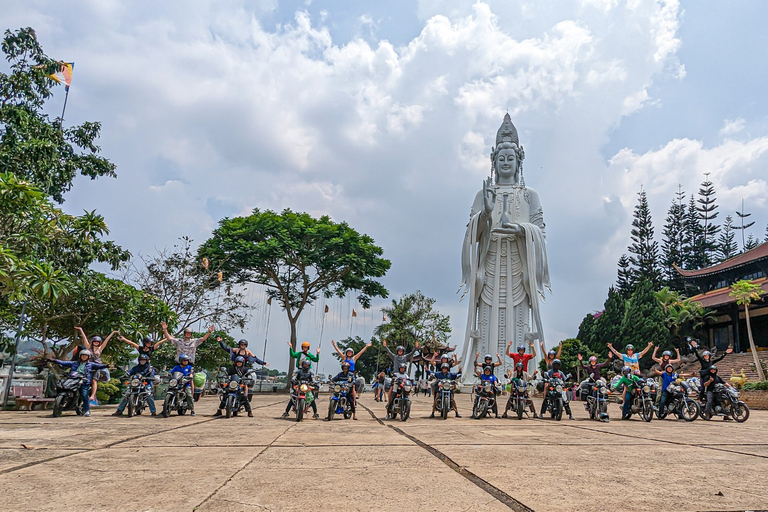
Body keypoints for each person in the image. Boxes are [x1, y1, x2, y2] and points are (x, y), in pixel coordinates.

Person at [48, 349, 107, 417]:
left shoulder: (90, 364)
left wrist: (106, 366)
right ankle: (59, 407)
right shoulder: (74, 363)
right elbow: (63, 362)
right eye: (83, 355)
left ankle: (87, 410)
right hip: (73, 378)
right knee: (62, 386)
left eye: (86, 356)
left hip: (84, 380)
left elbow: (100, 366)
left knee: (84, 394)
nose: (84, 357)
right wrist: (54, 361)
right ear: (80, 356)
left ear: (88, 357)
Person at [75, 326, 118, 406]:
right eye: (95, 342)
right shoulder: (88, 347)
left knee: (94, 380)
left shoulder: (100, 348)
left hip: (97, 366)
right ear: (92, 342)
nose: (96, 343)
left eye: (97, 342)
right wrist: (81, 330)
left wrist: (113, 333)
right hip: (88, 366)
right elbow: (84, 338)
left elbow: (107, 340)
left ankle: (92, 396)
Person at [330, 339, 371, 405]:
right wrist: (334, 345)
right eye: (348, 352)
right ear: (346, 353)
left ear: (352, 353)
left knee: (352, 388)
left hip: (351, 373)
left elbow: (360, 352)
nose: (349, 353)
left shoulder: (354, 358)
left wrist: (366, 347)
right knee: (341, 385)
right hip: (344, 372)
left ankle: (354, 402)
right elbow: (338, 351)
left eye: (350, 352)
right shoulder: (344, 358)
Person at [382, 340, 418, 404]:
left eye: (401, 351)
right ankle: (389, 402)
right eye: (399, 351)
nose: (400, 352)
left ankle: (407, 404)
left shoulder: (405, 357)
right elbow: (389, 352)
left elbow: (411, 353)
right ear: (397, 352)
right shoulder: (394, 357)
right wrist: (385, 346)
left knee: (407, 388)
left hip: (403, 375)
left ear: (403, 352)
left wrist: (415, 347)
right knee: (392, 388)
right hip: (396, 375)